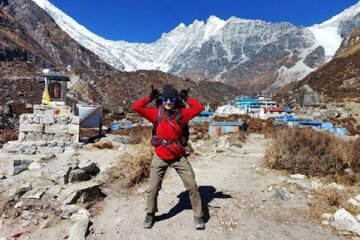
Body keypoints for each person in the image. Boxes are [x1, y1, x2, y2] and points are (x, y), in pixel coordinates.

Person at [132, 84, 205, 230]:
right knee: (153, 187)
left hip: (178, 156)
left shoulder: (182, 114)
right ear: (162, 99)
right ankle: (150, 213)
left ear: (175, 99)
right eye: (165, 99)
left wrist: (186, 98)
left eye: (171, 99)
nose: (168, 102)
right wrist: (150, 97)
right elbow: (136, 107)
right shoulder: (156, 114)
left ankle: (198, 215)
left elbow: (199, 108)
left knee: (192, 185)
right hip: (160, 155)